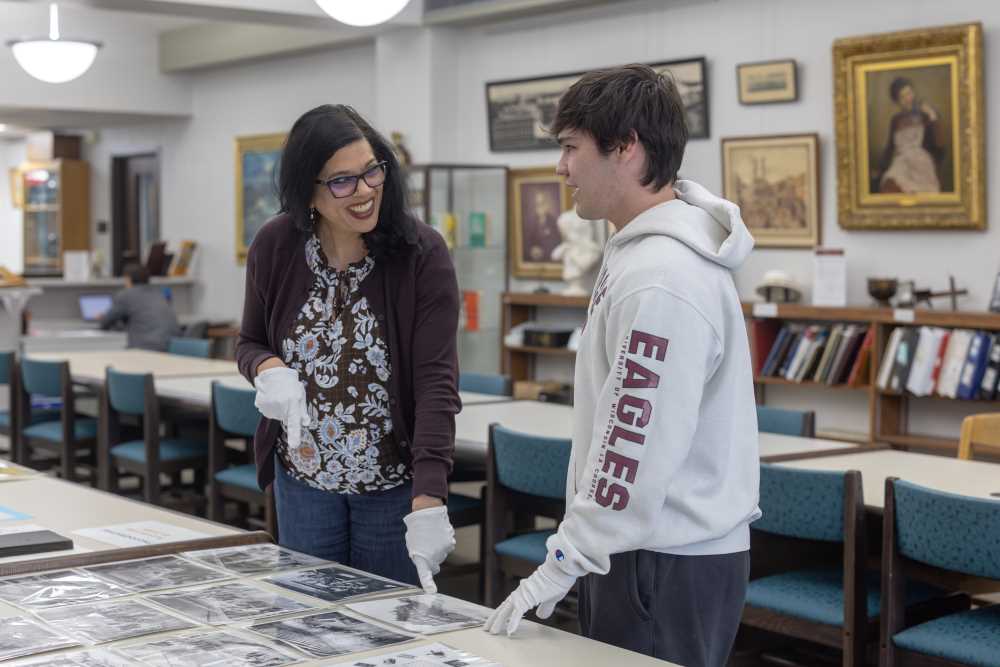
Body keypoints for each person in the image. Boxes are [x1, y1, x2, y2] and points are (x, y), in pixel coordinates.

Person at [485, 64, 761, 667]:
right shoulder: (641, 252)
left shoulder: (662, 278)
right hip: (642, 551)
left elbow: (633, 445)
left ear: (627, 147)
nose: (560, 168)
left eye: (569, 148)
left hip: (663, 558)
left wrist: (561, 563)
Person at [236, 104, 460, 592]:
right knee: (306, 628)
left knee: (385, 632)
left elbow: (435, 383)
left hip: (389, 488)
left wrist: (429, 497)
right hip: (302, 482)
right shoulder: (276, 246)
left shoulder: (421, 254)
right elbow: (249, 341)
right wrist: (268, 367)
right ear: (308, 191)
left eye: (371, 171)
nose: (364, 192)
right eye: (342, 181)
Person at [876, 76, 944, 194]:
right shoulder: (895, 120)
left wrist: (932, 118)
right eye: (903, 96)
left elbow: (935, 142)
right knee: (890, 183)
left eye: (909, 93)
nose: (908, 98)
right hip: (901, 161)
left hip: (920, 160)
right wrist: (880, 168)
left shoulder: (924, 115)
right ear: (897, 101)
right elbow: (890, 146)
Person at [98, 263, 180, 351]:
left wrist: (102, 318)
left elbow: (105, 323)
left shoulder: (126, 295)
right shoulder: (159, 293)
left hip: (147, 348)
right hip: (172, 346)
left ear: (128, 279)